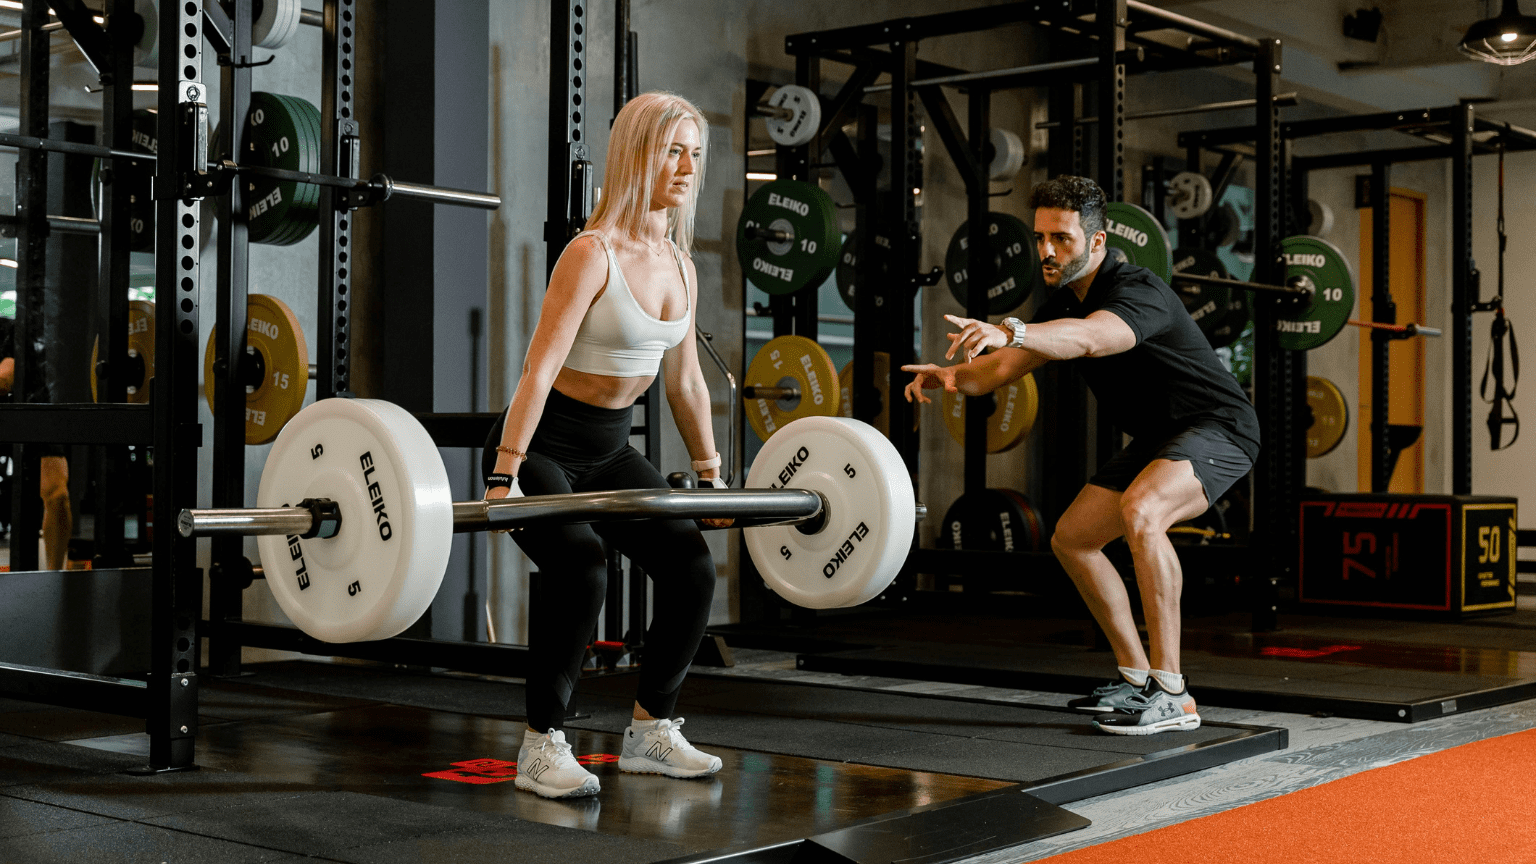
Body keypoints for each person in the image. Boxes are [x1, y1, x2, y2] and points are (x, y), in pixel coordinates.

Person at [903, 176, 1260, 735]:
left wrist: (1012, 329)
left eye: (1062, 239)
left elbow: (1093, 339)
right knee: (1073, 539)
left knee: (1142, 512)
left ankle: (1173, 693)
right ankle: (1137, 678)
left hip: (1219, 428)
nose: (1046, 250)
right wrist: (953, 375)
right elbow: (1002, 368)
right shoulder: (1062, 302)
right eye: (1041, 237)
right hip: (1160, 439)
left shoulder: (1137, 290)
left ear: (1096, 243)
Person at [482, 91, 726, 798]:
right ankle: (541, 745)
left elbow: (684, 385)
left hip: (612, 453)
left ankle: (652, 731)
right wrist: (505, 474)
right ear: (635, 155)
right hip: (544, 449)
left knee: (690, 567)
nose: (685, 168)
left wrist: (709, 476)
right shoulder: (590, 255)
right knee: (584, 568)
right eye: (671, 151)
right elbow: (539, 367)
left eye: (694, 155)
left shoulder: (681, 266)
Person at [0, 314, 71, 571]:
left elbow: (5, 379)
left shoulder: (8, 331)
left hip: (30, 410)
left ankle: (55, 575)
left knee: (57, 495)